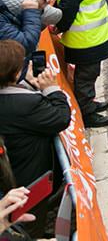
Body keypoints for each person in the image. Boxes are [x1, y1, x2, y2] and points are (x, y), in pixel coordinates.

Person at [0, 40, 71, 235]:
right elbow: (60, 118)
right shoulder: (24, 105)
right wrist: (52, 89)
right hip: (28, 180)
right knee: (28, 223)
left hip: (10, 173)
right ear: (15, 73)